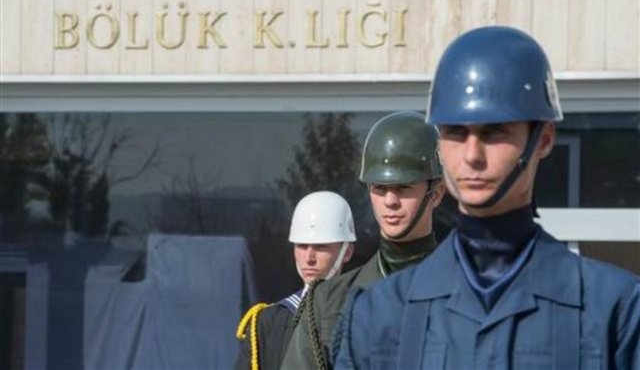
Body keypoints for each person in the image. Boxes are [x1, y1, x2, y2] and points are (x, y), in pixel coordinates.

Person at [333, 26, 640, 369]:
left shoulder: (614, 311)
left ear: (544, 139)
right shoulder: (379, 316)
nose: (472, 155)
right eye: (455, 132)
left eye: (494, 132)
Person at [281, 111, 445, 370]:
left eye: (404, 187)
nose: (390, 201)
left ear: (436, 194)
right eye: (379, 188)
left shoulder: (465, 290)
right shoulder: (327, 302)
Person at [235, 191, 356, 370]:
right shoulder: (268, 322)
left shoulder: (362, 316)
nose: (309, 258)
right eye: (301, 246)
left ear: (347, 252)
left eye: (321, 247)